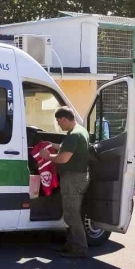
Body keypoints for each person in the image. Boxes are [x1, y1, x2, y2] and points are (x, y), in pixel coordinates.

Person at [39, 106, 91, 258]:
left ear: (64, 119)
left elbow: (63, 158)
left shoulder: (73, 135)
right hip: (79, 177)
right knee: (74, 213)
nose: (58, 124)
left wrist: (47, 156)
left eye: (58, 121)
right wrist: (53, 146)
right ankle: (71, 245)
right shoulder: (80, 131)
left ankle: (79, 249)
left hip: (72, 179)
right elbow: (66, 149)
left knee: (71, 215)